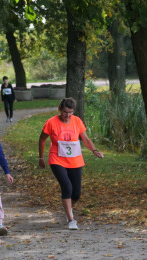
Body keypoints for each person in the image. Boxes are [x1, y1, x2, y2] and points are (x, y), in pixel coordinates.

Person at [37, 97, 103, 229]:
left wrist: (94, 150)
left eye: (71, 112)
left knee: (76, 193)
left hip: (75, 160)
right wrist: (41, 158)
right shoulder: (51, 122)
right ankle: (71, 220)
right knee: (67, 187)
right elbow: (42, 139)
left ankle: (68, 210)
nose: (68, 115)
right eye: (65, 112)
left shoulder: (77, 121)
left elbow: (85, 138)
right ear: (60, 109)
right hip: (57, 159)